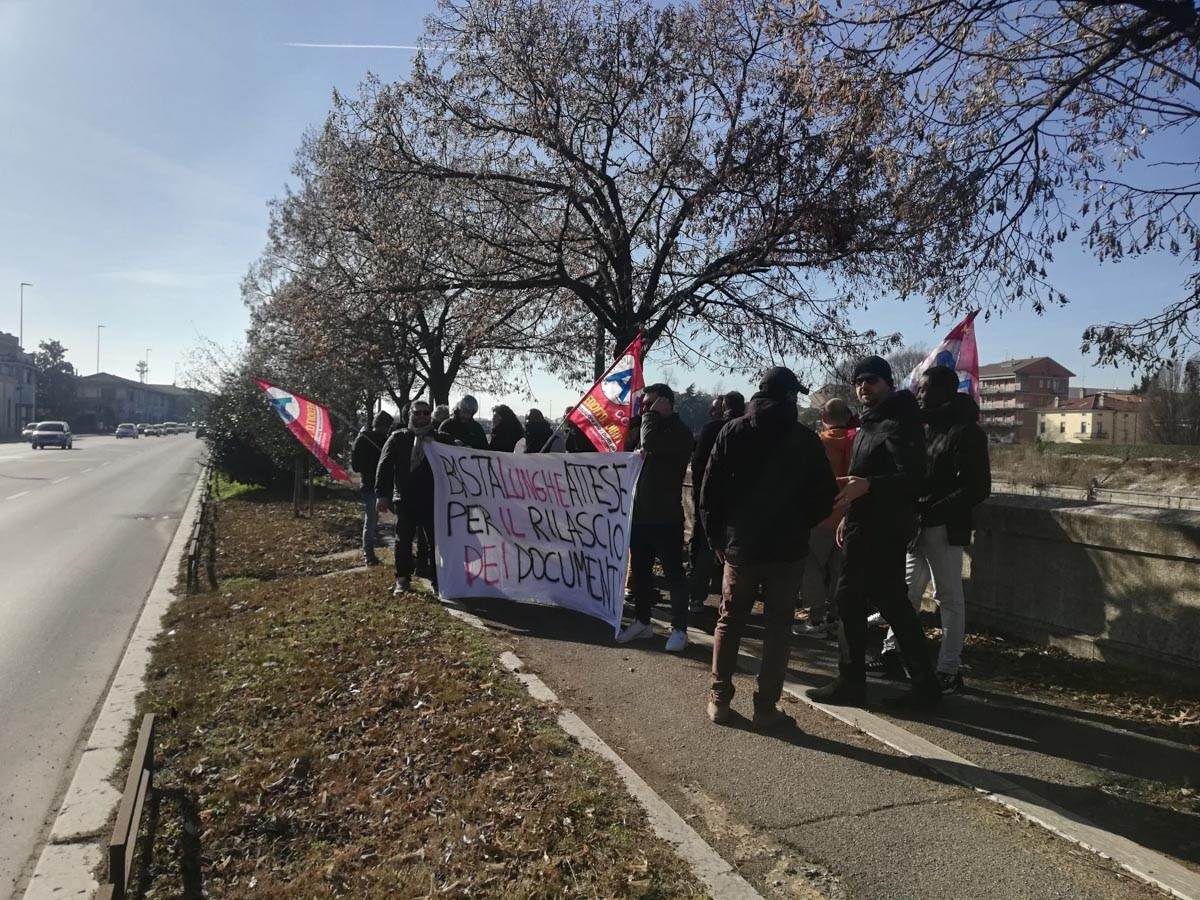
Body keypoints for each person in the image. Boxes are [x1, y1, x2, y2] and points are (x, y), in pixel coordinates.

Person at [702, 367, 837, 728]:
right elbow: (826, 494)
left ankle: (720, 699)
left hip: (742, 544)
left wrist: (718, 538)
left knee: (729, 621)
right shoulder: (805, 439)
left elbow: (709, 491)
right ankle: (765, 708)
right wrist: (800, 523)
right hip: (787, 548)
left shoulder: (733, 432)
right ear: (791, 398)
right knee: (778, 628)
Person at [808, 356, 940, 709]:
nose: (863, 387)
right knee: (886, 603)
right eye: (858, 382)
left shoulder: (900, 422)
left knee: (853, 599)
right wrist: (847, 515)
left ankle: (856, 683)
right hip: (863, 525)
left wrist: (869, 487)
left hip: (883, 529)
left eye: (871, 380)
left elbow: (914, 479)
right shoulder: (872, 422)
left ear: (887, 383)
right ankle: (923, 688)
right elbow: (858, 480)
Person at [874, 365, 991, 692]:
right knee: (908, 592)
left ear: (945, 391)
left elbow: (977, 488)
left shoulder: (967, 432)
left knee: (948, 597)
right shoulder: (923, 429)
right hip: (918, 524)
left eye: (924, 390)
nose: (919, 395)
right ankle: (891, 653)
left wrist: (931, 512)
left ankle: (949, 669)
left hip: (944, 527)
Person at [615, 384, 695, 652]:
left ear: (665, 402)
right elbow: (630, 446)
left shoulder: (679, 432)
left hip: (665, 517)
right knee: (640, 572)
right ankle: (642, 621)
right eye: (643, 405)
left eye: (649, 404)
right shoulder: (647, 426)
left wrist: (650, 418)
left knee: (674, 575)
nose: (644, 409)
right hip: (640, 516)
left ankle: (680, 629)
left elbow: (651, 444)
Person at [793, 398, 855, 638]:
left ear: (824, 417)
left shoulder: (819, 443)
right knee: (838, 570)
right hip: (847, 516)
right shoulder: (856, 441)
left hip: (819, 516)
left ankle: (816, 617)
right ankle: (835, 617)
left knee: (811, 567)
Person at [376, 401, 441, 595]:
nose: (422, 416)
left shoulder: (439, 439)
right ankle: (402, 579)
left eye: (426, 413)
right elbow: (385, 466)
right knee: (403, 541)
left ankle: (439, 580)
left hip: (432, 500)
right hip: (405, 499)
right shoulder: (398, 438)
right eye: (418, 412)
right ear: (410, 414)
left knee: (436, 542)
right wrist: (381, 495)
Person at [688, 391, 745, 613]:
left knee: (703, 547)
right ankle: (727, 600)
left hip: (710, 499)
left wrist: (699, 494)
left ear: (722, 407)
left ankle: (696, 597)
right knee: (733, 554)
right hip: (738, 503)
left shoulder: (712, 429)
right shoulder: (748, 429)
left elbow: (699, 463)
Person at [350, 410, 393, 565]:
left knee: (373, 520)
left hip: (379, 485)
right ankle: (369, 555)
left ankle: (371, 555)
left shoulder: (380, 440)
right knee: (372, 521)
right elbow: (356, 466)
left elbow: (355, 466)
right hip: (374, 485)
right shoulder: (366, 440)